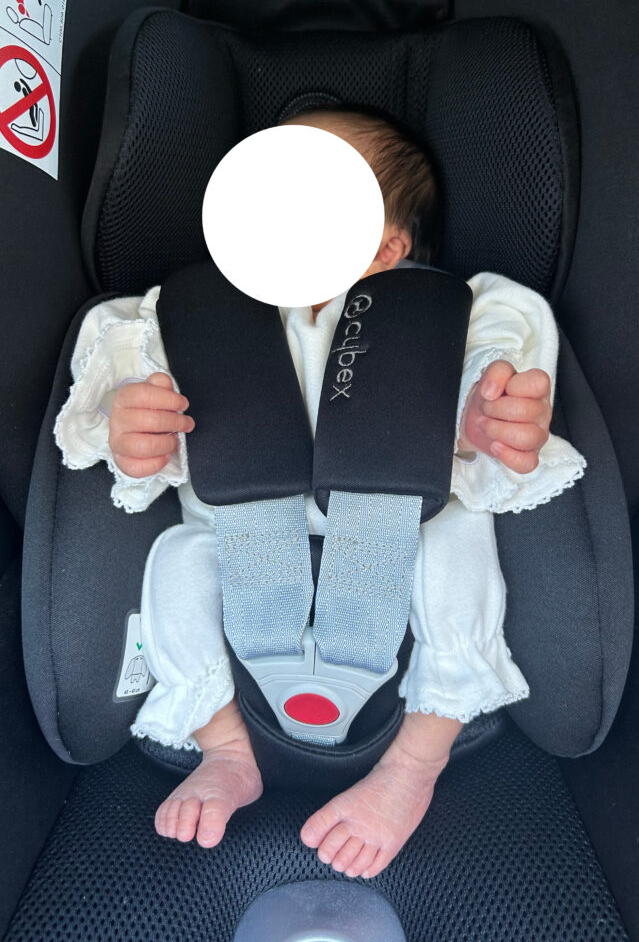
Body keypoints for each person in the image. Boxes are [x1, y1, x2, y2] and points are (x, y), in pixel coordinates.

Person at [55, 104, 586, 880]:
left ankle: (416, 759)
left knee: (461, 540)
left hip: (398, 526)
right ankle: (226, 746)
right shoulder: (187, 318)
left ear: (385, 247)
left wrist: (487, 412)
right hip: (239, 536)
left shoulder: (447, 317)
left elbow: (490, 368)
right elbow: (131, 408)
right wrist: (134, 430)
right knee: (175, 563)